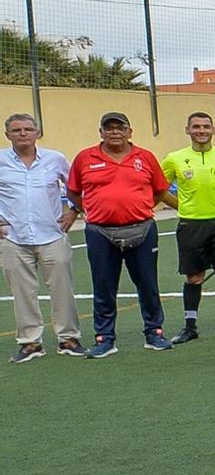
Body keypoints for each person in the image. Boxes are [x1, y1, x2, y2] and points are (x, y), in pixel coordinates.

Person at [68, 112, 171, 357]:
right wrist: (93, 211)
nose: (114, 132)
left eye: (120, 127)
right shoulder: (85, 158)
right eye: (109, 128)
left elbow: (159, 190)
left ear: (129, 132)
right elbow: (73, 192)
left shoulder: (145, 157)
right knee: (103, 286)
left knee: (147, 283)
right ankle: (105, 338)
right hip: (100, 232)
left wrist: (141, 207)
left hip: (142, 229)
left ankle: (154, 332)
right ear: (101, 132)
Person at [162, 111, 215, 344]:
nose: (201, 131)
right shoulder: (174, 158)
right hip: (191, 224)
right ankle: (190, 326)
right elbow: (160, 188)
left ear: (213, 130)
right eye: (196, 127)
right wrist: (182, 205)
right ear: (187, 130)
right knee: (194, 277)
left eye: (205, 127)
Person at [0, 113, 83, 361]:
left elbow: (75, 188)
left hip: (52, 234)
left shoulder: (55, 159)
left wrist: (73, 212)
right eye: (16, 130)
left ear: (37, 132)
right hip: (13, 237)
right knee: (22, 292)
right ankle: (30, 343)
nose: (23, 134)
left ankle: (68, 338)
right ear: (8, 135)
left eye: (28, 129)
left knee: (63, 289)